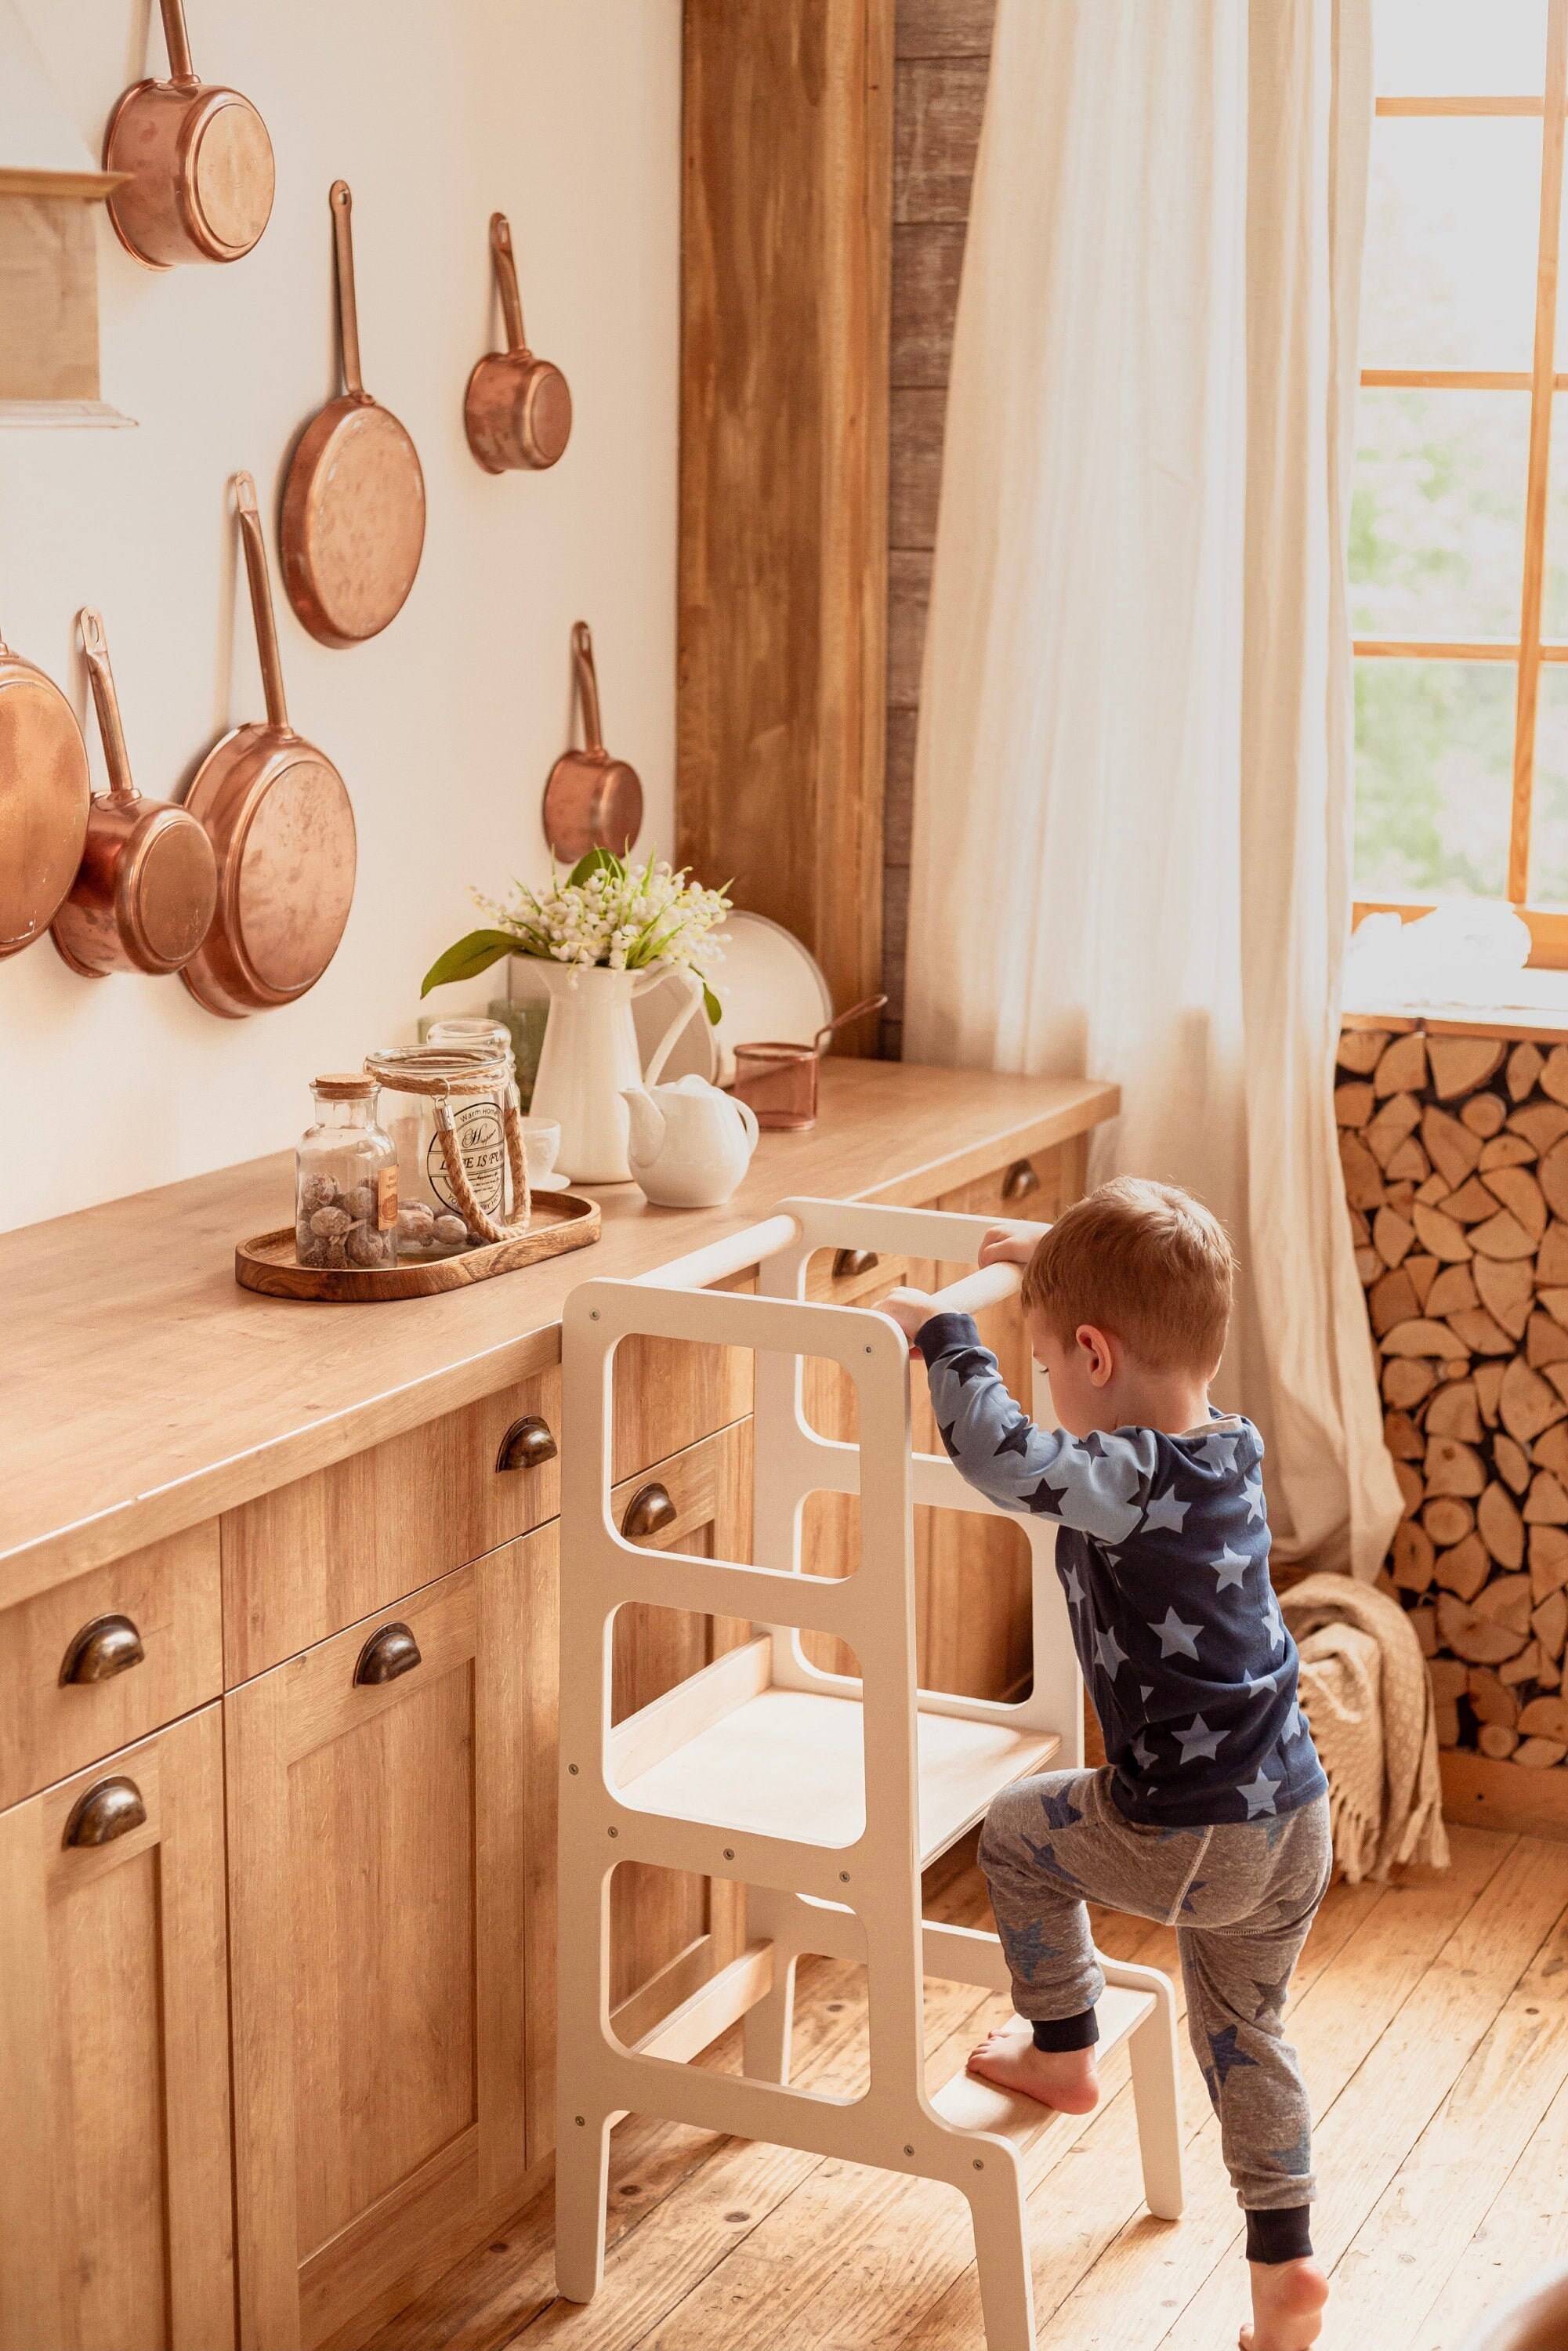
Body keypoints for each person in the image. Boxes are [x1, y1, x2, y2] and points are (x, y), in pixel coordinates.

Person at [882, 1178, 1332, 2351]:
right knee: (1246, 2033)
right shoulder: (1222, 1441)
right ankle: (1285, 2272)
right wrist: (1057, 1260)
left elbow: (995, 1452)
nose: (1039, 1386)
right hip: (1292, 1812)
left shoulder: (1122, 1476)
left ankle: (1063, 2046)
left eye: (1046, 1361)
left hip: (1190, 1829)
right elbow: (1143, 1323)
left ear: (1091, 1353)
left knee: (1016, 1833)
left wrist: (947, 1337)